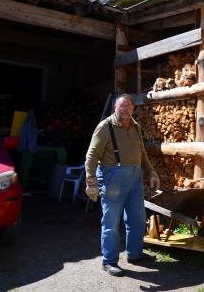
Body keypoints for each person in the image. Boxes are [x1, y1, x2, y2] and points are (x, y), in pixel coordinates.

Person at [84, 94, 160, 277]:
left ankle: (135, 254)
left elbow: (142, 153)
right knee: (111, 221)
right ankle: (109, 261)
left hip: (135, 179)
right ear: (114, 109)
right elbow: (91, 156)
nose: (125, 109)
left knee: (138, 219)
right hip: (112, 178)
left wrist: (151, 171)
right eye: (121, 106)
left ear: (133, 109)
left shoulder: (136, 126)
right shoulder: (105, 126)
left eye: (128, 106)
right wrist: (91, 182)